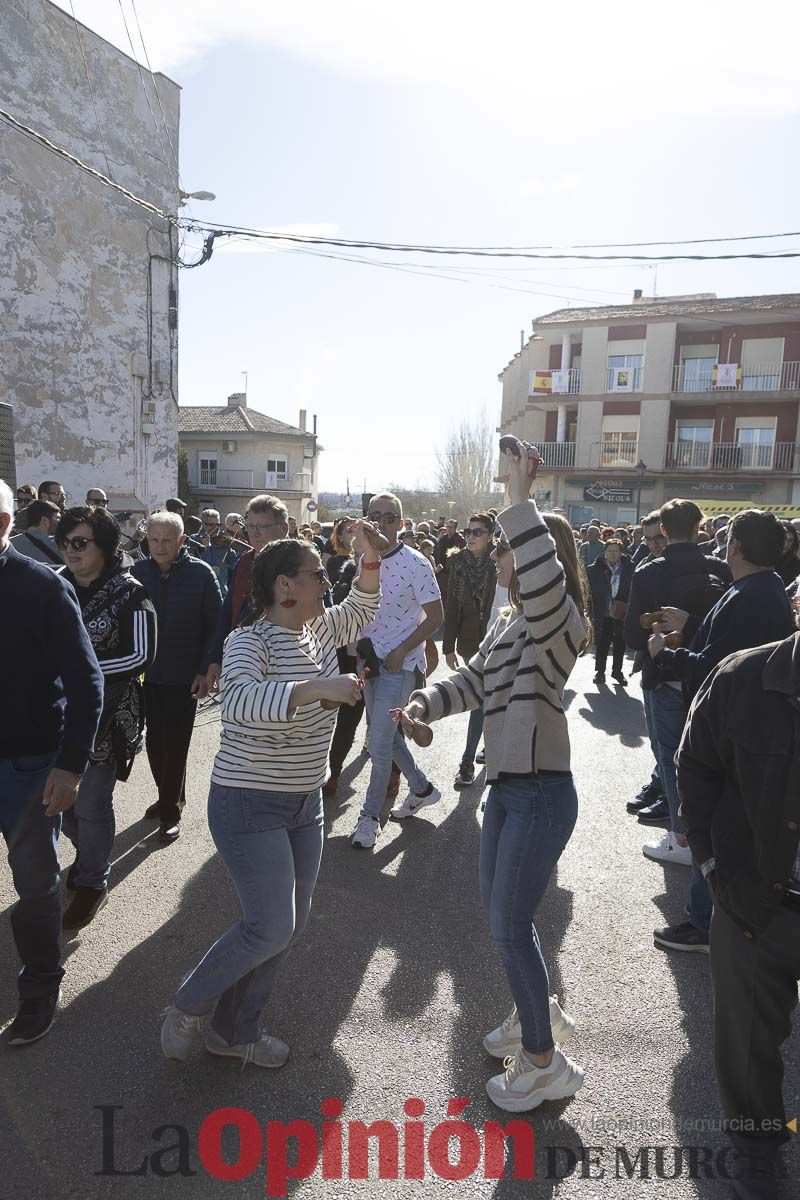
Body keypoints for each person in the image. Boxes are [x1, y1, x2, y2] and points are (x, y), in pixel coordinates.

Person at [399, 440, 589, 1111]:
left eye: (508, 548)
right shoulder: (512, 624)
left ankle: (543, 1061)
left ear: (544, 560)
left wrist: (516, 494)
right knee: (506, 918)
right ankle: (535, 1014)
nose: (499, 557)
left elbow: (536, 577)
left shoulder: (559, 619)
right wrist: (424, 705)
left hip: (539, 793)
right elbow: (475, 680)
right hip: (508, 791)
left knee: (509, 925)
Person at [159, 521, 383, 1067]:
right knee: (270, 924)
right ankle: (187, 1006)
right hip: (248, 802)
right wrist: (313, 689)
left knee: (288, 925)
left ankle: (235, 1031)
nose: (326, 584)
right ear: (285, 586)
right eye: (315, 576)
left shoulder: (320, 628)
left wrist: (371, 557)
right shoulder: (248, 641)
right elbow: (236, 703)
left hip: (306, 803)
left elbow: (362, 608)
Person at [677, 632, 800, 1200]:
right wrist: (709, 866)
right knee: (747, 1047)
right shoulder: (741, 678)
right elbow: (696, 767)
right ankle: (756, 1152)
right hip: (756, 904)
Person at [644, 509, 795, 955]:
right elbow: (728, 651)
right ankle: (711, 918)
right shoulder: (761, 589)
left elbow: (718, 668)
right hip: (748, 728)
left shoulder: (753, 593)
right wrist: (690, 626)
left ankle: (706, 921)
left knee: (713, 822)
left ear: (737, 547)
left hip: (736, 731)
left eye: (727, 538)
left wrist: (663, 654)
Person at [0, 479, 103, 1045]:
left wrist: (70, 767)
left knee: (36, 886)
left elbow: (88, 684)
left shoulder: (41, 588)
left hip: (31, 767)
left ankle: (39, 988)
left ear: (3, 525)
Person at [56, 506, 156, 928]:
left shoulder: (131, 593)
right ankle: (88, 853)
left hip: (108, 716)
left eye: (80, 543)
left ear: (105, 546)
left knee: (93, 803)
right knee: (61, 806)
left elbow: (141, 654)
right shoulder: (54, 585)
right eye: (64, 542)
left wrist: (78, 672)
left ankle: (94, 881)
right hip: (53, 716)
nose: (70, 551)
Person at [624, 499, 730, 865]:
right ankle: (704, 831)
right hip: (708, 677)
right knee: (707, 757)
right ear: (700, 526)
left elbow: (632, 637)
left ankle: (682, 837)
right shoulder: (721, 568)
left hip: (665, 676)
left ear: (664, 531)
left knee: (669, 759)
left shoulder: (649, 572)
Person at [350, 492, 444, 850]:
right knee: (385, 737)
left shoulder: (417, 563)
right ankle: (421, 788)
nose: (381, 523)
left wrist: (403, 650)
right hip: (370, 663)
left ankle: (369, 817)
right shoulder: (365, 559)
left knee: (377, 743)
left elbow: (436, 618)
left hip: (400, 667)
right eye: (375, 516)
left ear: (401, 525)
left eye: (389, 518)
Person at [131, 513, 222, 842]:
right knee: (155, 743)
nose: (160, 546)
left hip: (186, 677)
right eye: (154, 539)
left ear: (182, 541)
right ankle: (170, 796)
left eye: (167, 540)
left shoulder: (200, 574)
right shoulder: (137, 572)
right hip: (148, 676)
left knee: (177, 744)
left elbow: (216, 624)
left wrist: (207, 667)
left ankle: (170, 812)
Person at [206, 495, 289, 695]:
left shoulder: (303, 563)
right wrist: (215, 659)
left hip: (284, 666)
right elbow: (228, 613)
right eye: (250, 526)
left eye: (263, 526)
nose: (255, 533)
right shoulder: (244, 562)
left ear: (284, 529)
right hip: (240, 660)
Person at [442, 512, 497, 787]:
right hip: (469, 642)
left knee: (488, 698)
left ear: (490, 536)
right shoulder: (458, 563)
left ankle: (483, 750)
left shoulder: (499, 562)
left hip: (498, 639)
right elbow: (452, 607)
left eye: (477, 532)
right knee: (481, 698)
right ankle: (468, 761)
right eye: (468, 532)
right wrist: (448, 647)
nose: (471, 537)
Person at [626, 512, 669, 817]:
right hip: (649, 658)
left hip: (674, 662)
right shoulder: (645, 565)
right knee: (656, 736)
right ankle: (660, 783)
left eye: (659, 538)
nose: (654, 544)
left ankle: (669, 795)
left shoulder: (686, 567)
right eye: (648, 539)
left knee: (668, 739)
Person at [587, 538, 634, 685]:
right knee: (602, 644)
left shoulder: (630, 568)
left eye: (616, 551)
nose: (613, 554)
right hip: (603, 612)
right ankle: (600, 673)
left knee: (620, 644)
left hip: (621, 612)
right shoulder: (594, 569)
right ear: (604, 553)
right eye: (609, 551)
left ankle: (617, 672)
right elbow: (588, 593)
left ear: (621, 553)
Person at [192, 508, 248, 596]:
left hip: (221, 592)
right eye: (212, 525)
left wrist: (243, 554)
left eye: (218, 524)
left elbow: (235, 564)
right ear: (203, 525)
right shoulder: (194, 541)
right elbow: (195, 566)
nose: (217, 528)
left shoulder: (223, 542)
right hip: (200, 593)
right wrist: (206, 548)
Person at [10, 499, 63, 566]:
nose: (60, 522)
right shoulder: (60, 546)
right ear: (44, 520)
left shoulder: (9, 545)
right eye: (58, 518)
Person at [434, 518, 466, 607]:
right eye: (447, 527)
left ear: (455, 528)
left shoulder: (460, 540)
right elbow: (437, 552)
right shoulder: (443, 539)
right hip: (442, 571)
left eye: (451, 527)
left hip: (454, 572)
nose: (449, 529)